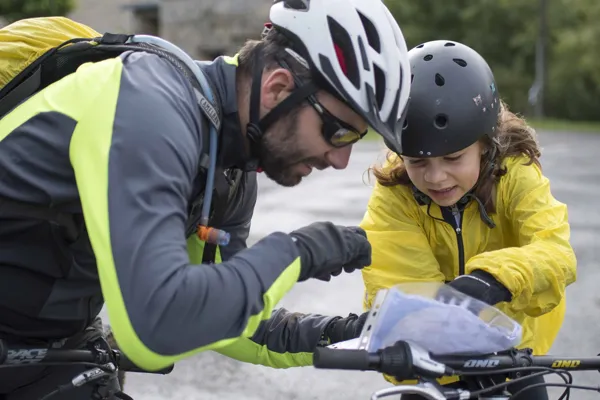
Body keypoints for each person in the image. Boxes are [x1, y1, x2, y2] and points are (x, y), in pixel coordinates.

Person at [0, 0, 412, 399]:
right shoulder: (148, 102)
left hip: (41, 356)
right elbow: (154, 329)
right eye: (339, 133)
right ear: (278, 87)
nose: (341, 160)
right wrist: (298, 252)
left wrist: (360, 332)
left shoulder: (226, 169)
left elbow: (227, 318)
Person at [359, 40, 577, 399]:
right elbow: (396, 286)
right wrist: (436, 317)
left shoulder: (516, 174)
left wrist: (492, 280)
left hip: (513, 357)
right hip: (432, 362)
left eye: (454, 158)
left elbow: (556, 253)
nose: (436, 177)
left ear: (485, 143)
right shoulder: (392, 195)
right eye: (417, 162)